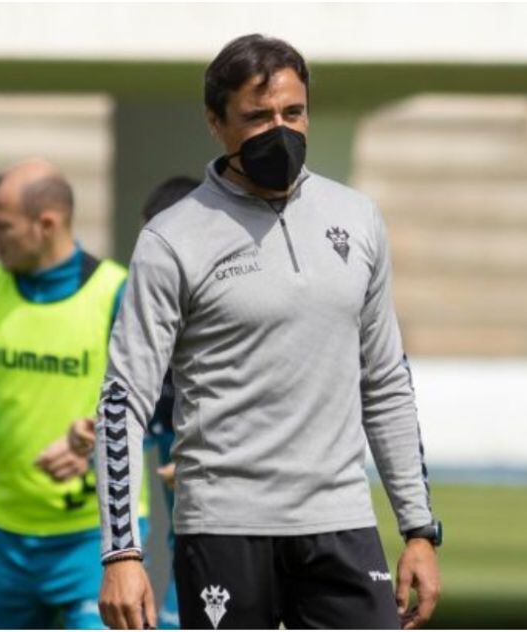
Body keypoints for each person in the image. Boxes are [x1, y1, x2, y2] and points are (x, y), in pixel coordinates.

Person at [95, 34, 442, 630]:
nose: (279, 130)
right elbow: (123, 401)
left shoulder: (356, 218)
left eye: (292, 112)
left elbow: (384, 382)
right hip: (224, 527)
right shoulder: (171, 239)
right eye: (257, 117)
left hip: (341, 522)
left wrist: (418, 528)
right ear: (215, 122)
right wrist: (122, 553)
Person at [0, 158, 150, 629]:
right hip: (6, 536)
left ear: (46, 224)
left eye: (0, 225)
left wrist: (93, 439)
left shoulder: (116, 292)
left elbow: (154, 403)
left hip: (97, 540)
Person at [139, 175, 203, 630]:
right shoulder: (151, 312)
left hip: (229, 527)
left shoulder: (229, 314)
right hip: (182, 523)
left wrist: (201, 457)